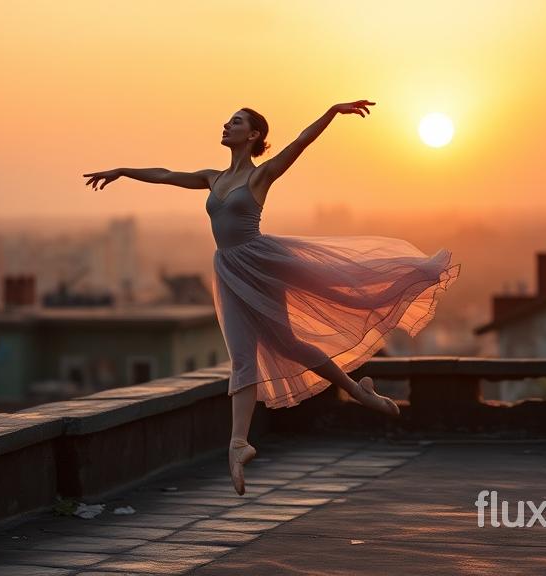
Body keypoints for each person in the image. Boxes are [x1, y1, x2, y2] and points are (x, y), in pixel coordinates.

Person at [84, 100, 460, 495]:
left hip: (262, 266)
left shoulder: (261, 175)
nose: (226, 124)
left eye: (237, 121)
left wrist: (333, 111)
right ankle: (238, 444)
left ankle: (354, 390)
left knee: (289, 343)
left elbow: (301, 142)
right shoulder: (212, 178)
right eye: (228, 119)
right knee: (243, 357)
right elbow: (164, 174)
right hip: (229, 271)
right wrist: (123, 171)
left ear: (254, 135)